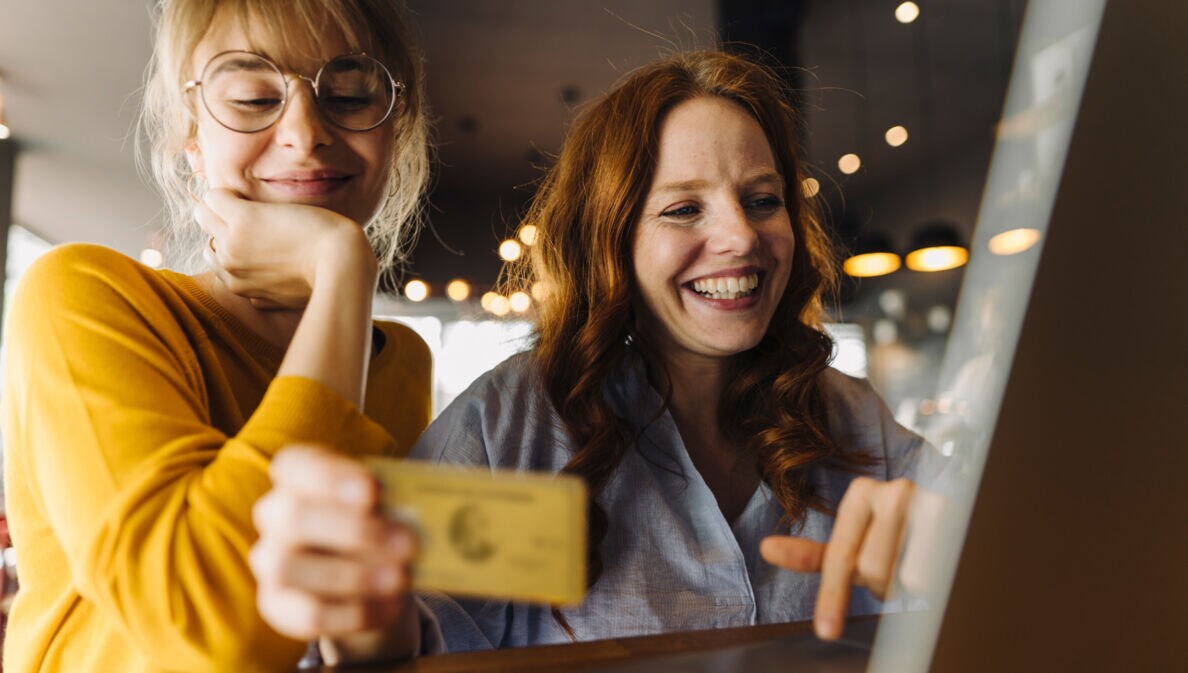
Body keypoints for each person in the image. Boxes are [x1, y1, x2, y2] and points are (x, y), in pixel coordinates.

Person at [250, 49, 921, 659]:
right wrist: (365, 611)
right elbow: (409, 635)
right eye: (684, 208)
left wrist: (964, 539)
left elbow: (998, 540)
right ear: (611, 242)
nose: (741, 236)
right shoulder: (514, 424)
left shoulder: (852, 417)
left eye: (762, 200)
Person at [0, 1, 432, 671]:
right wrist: (343, 266)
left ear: (395, 131)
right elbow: (215, 626)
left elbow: (355, 619)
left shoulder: (402, 360)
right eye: (254, 97)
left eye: (348, 93)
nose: (305, 132)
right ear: (191, 136)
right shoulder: (81, 295)